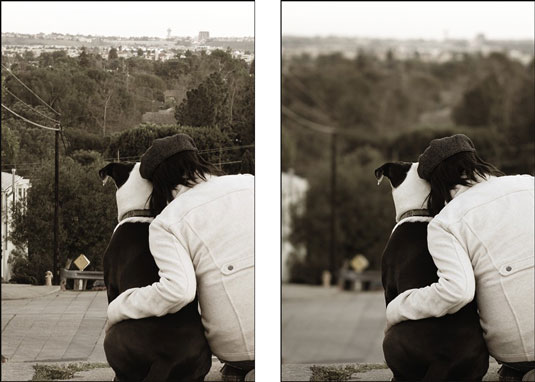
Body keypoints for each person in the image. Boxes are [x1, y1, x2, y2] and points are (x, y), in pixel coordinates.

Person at [385, 134, 534, 381]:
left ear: (434, 183)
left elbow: (457, 292)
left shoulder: (446, 222)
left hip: (519, 349)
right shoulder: (529, 184)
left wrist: (398, 307)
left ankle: (522, 369)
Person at [106, 134, 254, 381]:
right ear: (197, 159)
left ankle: (242, 365)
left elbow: (178, 291)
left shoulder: (167, 222)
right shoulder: (250, 183)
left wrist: (119, 307)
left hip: (238, 346)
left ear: (156, 182)